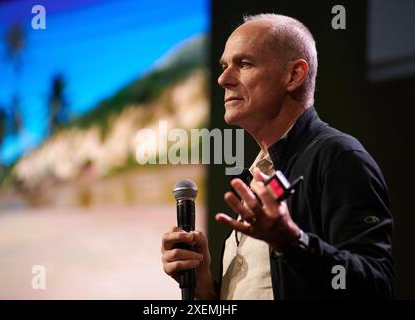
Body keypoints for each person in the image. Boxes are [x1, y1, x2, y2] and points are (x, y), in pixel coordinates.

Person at [161, 13, 396, 299]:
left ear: (294, 75)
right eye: (223, 66)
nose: (223, 79)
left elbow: (377, 285)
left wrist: (291, 242)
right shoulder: (257, 173)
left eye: (244, 64)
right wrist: (206, 290)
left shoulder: (338, 156)